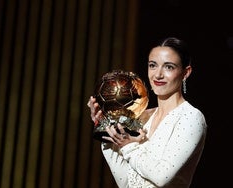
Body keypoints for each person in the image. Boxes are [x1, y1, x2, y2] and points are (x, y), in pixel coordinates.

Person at [87, 37, 207, 188]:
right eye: (153, 65)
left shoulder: (191, 117)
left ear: (186, 72)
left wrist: (128, 145)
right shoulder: (142, 118)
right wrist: (105, 125)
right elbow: (127, 182)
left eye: (169, 67)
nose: (158, 75)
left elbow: (162, 176)